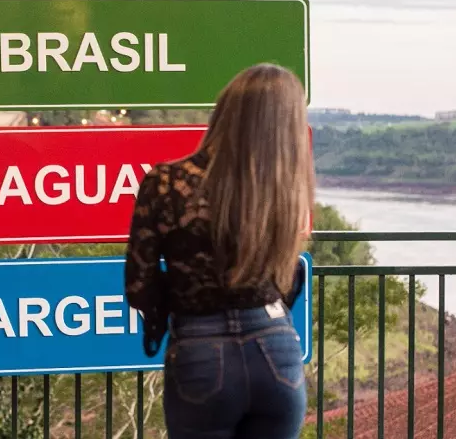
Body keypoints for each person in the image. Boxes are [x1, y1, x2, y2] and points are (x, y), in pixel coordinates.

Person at [124, 63, 314, 439]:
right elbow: (285, 279)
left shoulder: (165, 182)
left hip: (200, 350)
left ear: (224, 113)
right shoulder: (284, 189)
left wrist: (178, 293)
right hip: (276, 347)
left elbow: (138, 288)